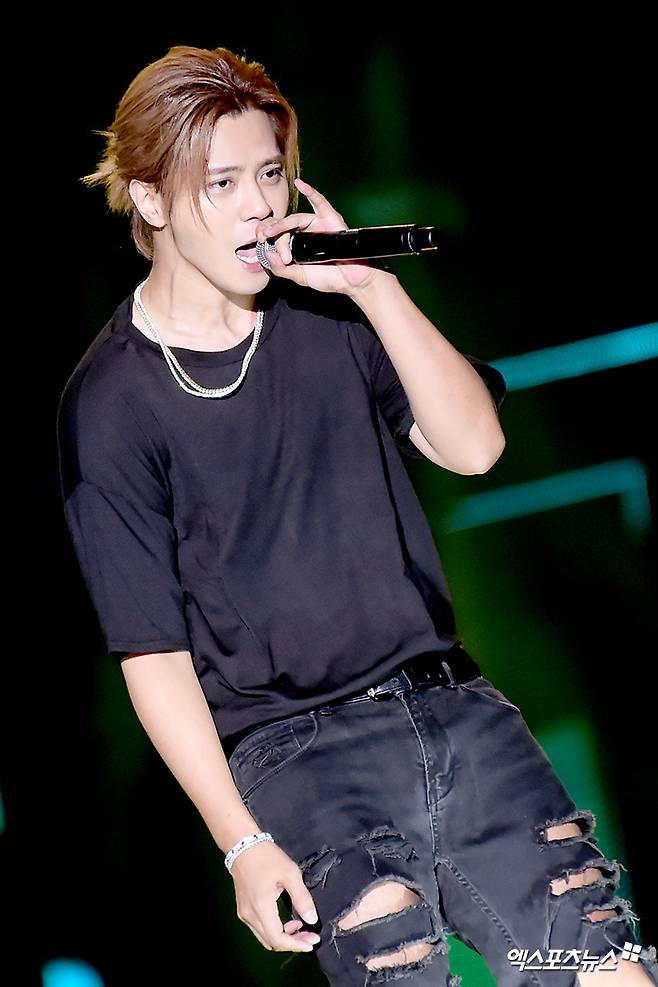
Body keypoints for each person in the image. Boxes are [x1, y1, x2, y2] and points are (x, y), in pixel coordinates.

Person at [56, 44, 657, 987]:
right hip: (302, 761)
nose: (258, 205)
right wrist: (239, 839)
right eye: (222, 183)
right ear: (152, 199)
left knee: (604, 971)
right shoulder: (110, 404)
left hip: (458, 713)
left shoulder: (330, 314)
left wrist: (375, 288)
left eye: (270, 173)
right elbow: (153, 654)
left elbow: (475, 446)